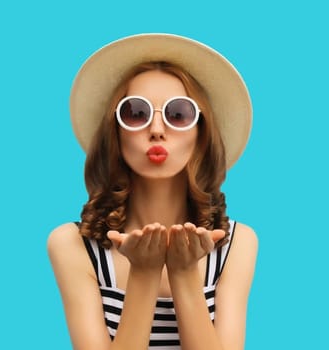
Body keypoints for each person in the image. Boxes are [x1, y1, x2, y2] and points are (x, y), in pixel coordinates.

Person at [47, 33, 258, 350]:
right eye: (136, 112)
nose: (157, 130)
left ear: (201, 133)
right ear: (115, 133)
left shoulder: (236, 244)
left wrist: (184, 273)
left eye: (177, 114)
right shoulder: (72, 245)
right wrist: (144, 273)